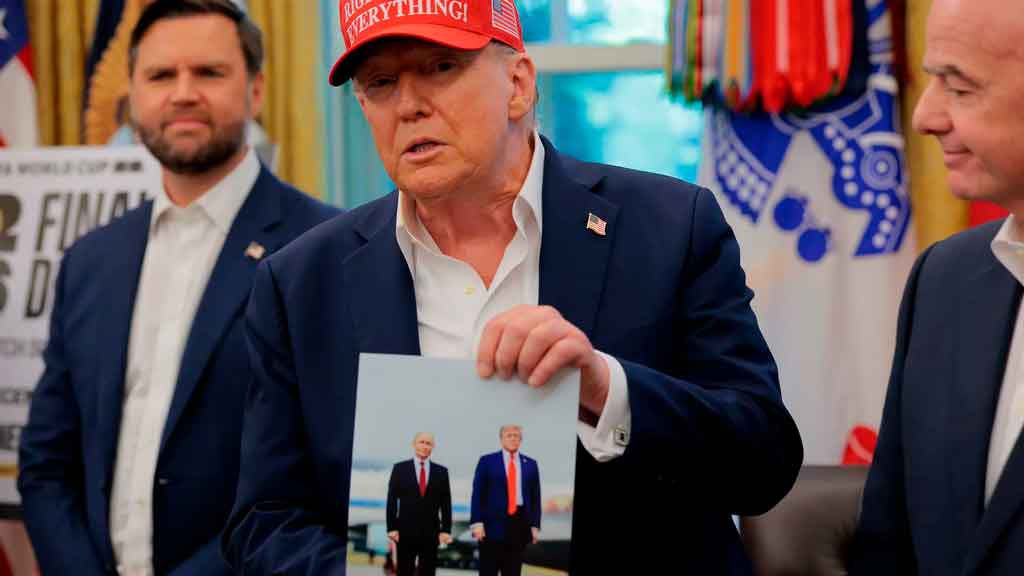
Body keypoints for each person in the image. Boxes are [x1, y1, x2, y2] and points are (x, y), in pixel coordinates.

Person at [223, 1, 803, 573]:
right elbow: (264, 522)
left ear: (519, 84)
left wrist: (605, 390)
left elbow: (763, 461)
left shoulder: (670, 227)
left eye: (440, 68)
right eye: (380, 83)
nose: (408, 105)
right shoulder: (300, 282)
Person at [16, 1, 340, 575]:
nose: (183, 94)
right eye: (161, 75)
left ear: (256, 90)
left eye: (209, 73)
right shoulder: (89, 260)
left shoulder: (325, 252)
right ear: (133, 96)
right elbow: (46, 462)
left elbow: (324, 472)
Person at [850, 1, 1024, 574]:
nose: (924, 117)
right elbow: (888, 545)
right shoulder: (945, 281)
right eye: (931, 80)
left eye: (960, 87)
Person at [470, 426, 541, 576]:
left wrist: (535, 525)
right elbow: (477, 494)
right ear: (501, 439)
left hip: (519, 524)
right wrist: (477, 523)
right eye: (509, 435)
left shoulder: (531, 464)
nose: (513, 438)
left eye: (516, 436)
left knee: (513, 570)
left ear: (520, 440)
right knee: (488, 570)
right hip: (491, 525)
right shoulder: (487, 461)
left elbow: (535, 497)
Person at [386, 432, 453, 576]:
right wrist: (392, 528)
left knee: (428, 572)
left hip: (431, 534)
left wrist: (446, 530)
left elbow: (446, 503)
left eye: (428, 443)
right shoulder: (400, 469)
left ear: (433, 447)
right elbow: (392, 500)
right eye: (421, 442)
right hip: (405, 532)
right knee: (404, 571)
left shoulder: (441, 472)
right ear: (414, 444)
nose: (425, 446)